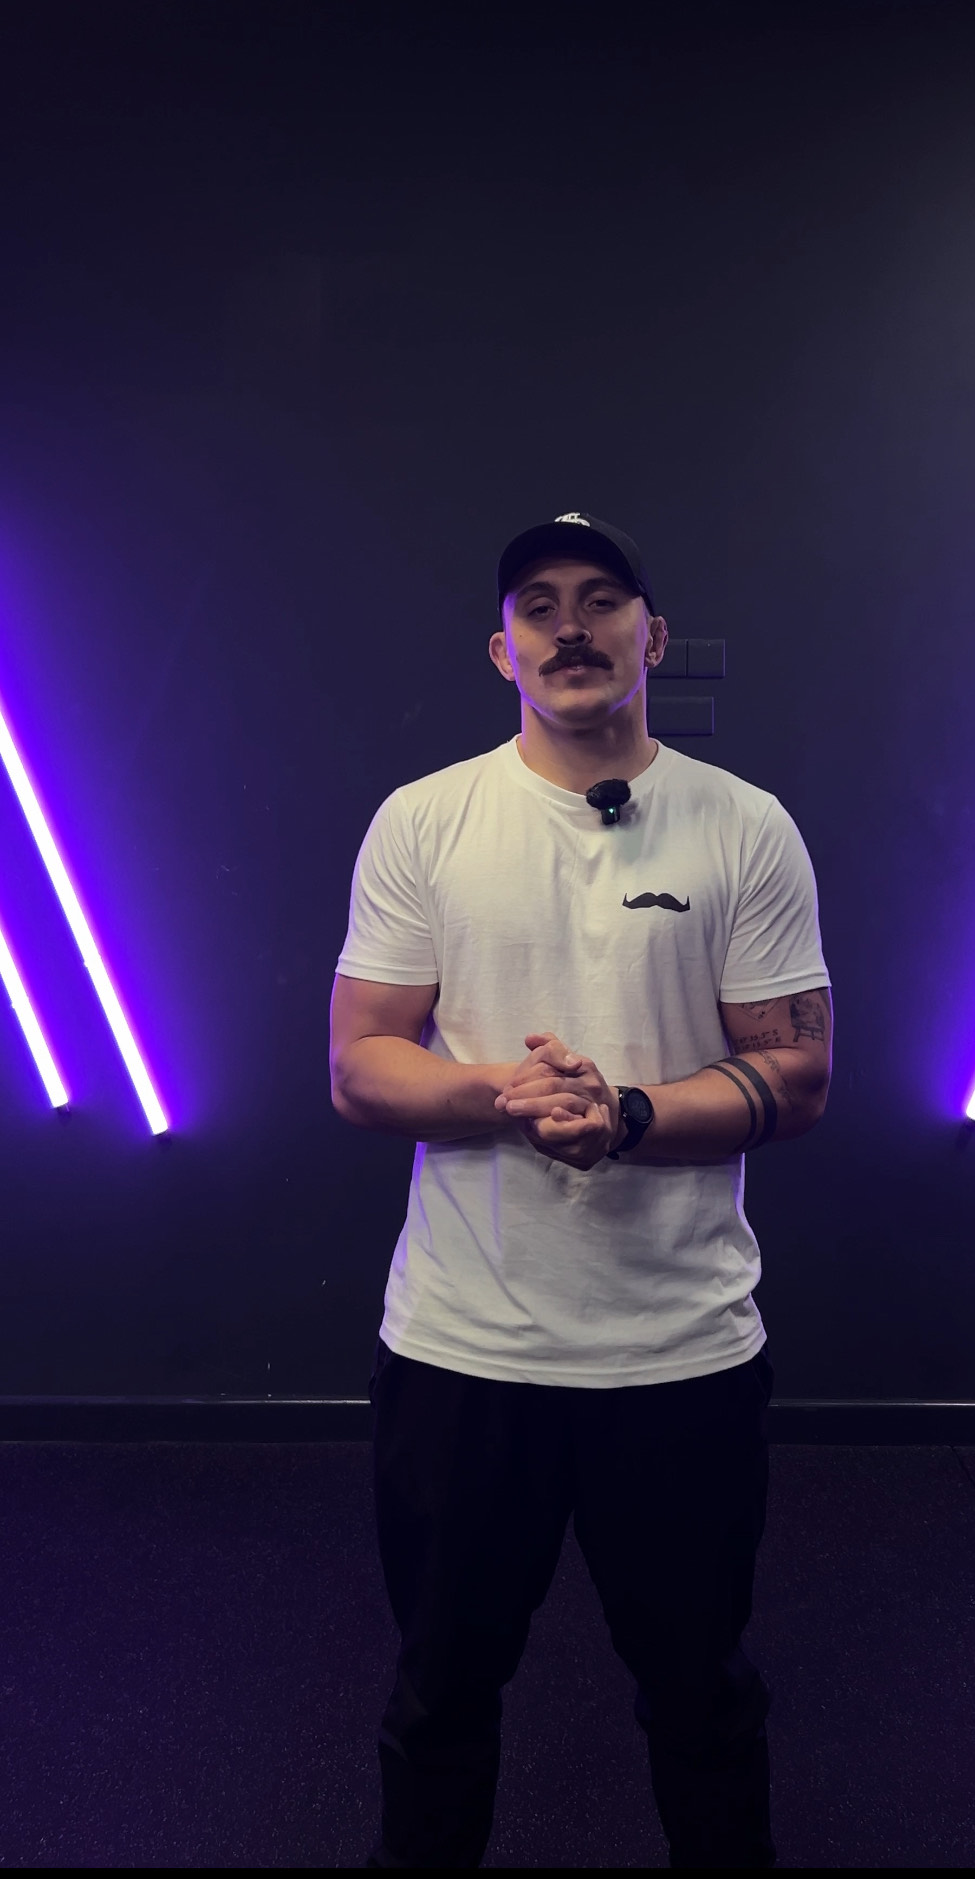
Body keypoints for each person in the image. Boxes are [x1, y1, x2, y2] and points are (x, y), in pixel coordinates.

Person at [330, 510, 832, 1870]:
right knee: (438, 1703)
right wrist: (508, 1096)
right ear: (502, 648)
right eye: (539, 605)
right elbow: (362, 1067)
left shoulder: (744, 828)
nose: (570, 625)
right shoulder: (426, 820)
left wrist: (620, 1119)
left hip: (678, 1355)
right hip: (462, 1352)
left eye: (602, 600)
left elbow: (794, 1076)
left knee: (700, 1702)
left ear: (649, 637)